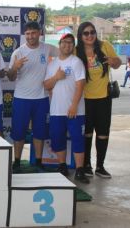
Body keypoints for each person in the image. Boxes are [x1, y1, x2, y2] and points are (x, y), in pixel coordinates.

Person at [8, 21, 58, 172]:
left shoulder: (47, 48)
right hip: (22, 98)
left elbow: (64, 53)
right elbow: (10, 77)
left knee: (40, 132)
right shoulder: (18, 52)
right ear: (25, 35)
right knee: (19, 132)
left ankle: (38, 161)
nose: (30, 36)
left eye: (33, 33)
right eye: (28, 34)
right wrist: (15, 68)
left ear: (39, 33)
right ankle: (17, 161)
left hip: (41, 98)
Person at [76, 22, 122, 178]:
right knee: (87, 133)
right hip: (85, 99)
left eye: (92, 32)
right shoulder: (77, 52)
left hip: (104, 97)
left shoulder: (105, 45)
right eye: (86, 33)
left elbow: (117, 64)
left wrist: (115, 62)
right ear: (80, 36)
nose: (90, 36)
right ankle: (87, 165)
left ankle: (100, 166)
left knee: (103, 133)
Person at [44, 33, 89, 184]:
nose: (67, 45)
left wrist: (74, 105)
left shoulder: (76, 62)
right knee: (57, 138)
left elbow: (80, 84)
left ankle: (80, 170)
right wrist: (56, 77)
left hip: (75, 110)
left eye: (70, 43)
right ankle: (62, 166)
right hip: (57, 110)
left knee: (77, 139)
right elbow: (46, 85)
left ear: (73, 46)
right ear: (59, 44)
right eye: (64, 42)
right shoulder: (52, 64)